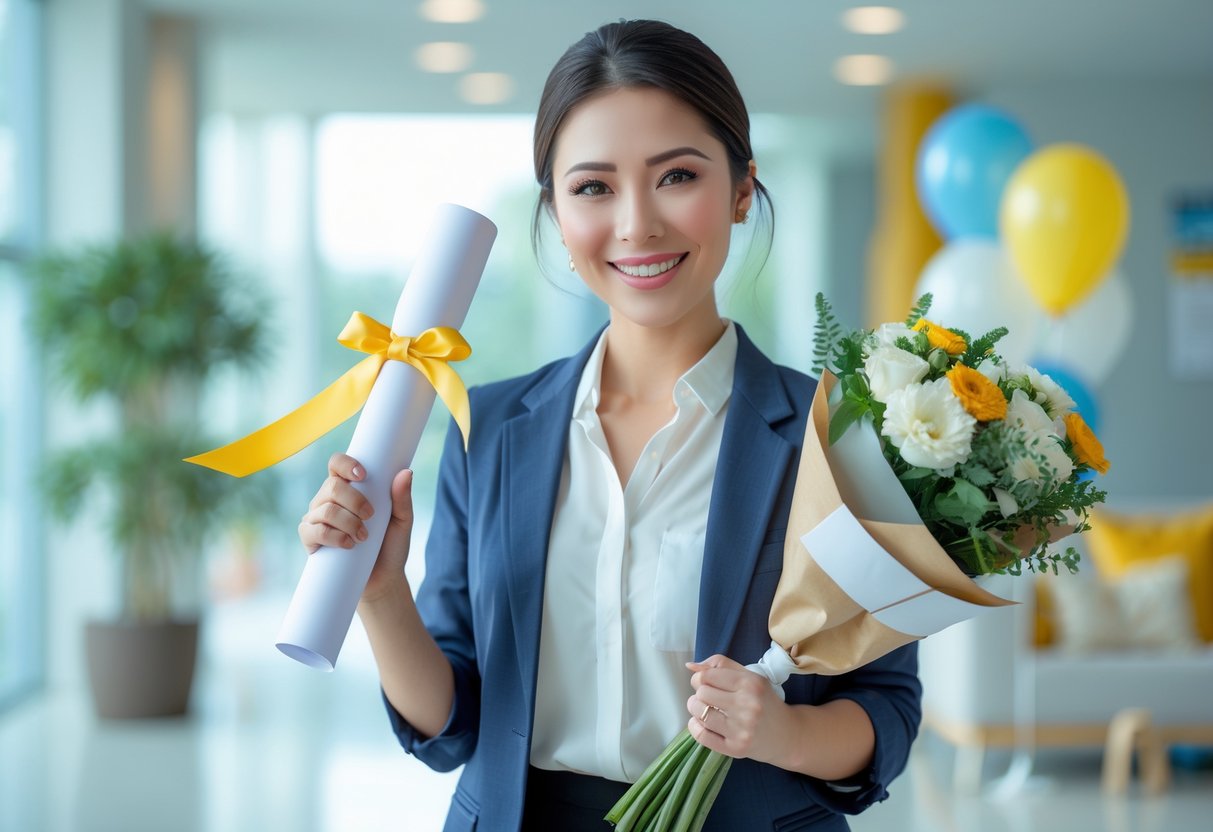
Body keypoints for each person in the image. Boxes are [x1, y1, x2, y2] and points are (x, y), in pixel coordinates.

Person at [298, 19, 921, 832]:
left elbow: (885, 708)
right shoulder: (484, 427)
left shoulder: (834, 439)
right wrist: (379, 592)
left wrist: (784, 731)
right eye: (593, 187)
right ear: (557, 215)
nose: (636, 225)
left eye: (676, 176)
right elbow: (452, 728)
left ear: (740, 190)